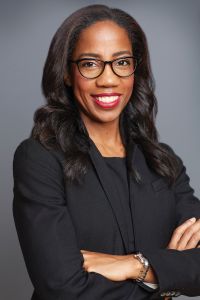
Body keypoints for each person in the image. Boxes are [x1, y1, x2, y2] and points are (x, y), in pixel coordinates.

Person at [12, 4, 200, 300]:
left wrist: (134, 266)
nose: (108, 79)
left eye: (122, 62)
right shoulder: (39, 158)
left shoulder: (164, 161)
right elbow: (62, 288)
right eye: (90, 63)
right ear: (66, 73)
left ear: (135, 70)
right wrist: (166, 276)